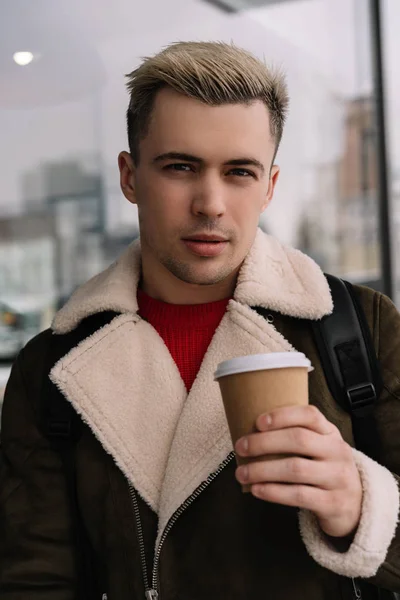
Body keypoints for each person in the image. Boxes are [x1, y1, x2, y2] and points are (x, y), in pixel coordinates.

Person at [1, 41, 400, 600]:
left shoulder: (360, 328)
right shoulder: (51, 367)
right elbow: (33, 580)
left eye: (239, 171)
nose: (210, 202)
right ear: (130, 176)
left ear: (270, 187)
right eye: (180, 167)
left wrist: (361, 506)